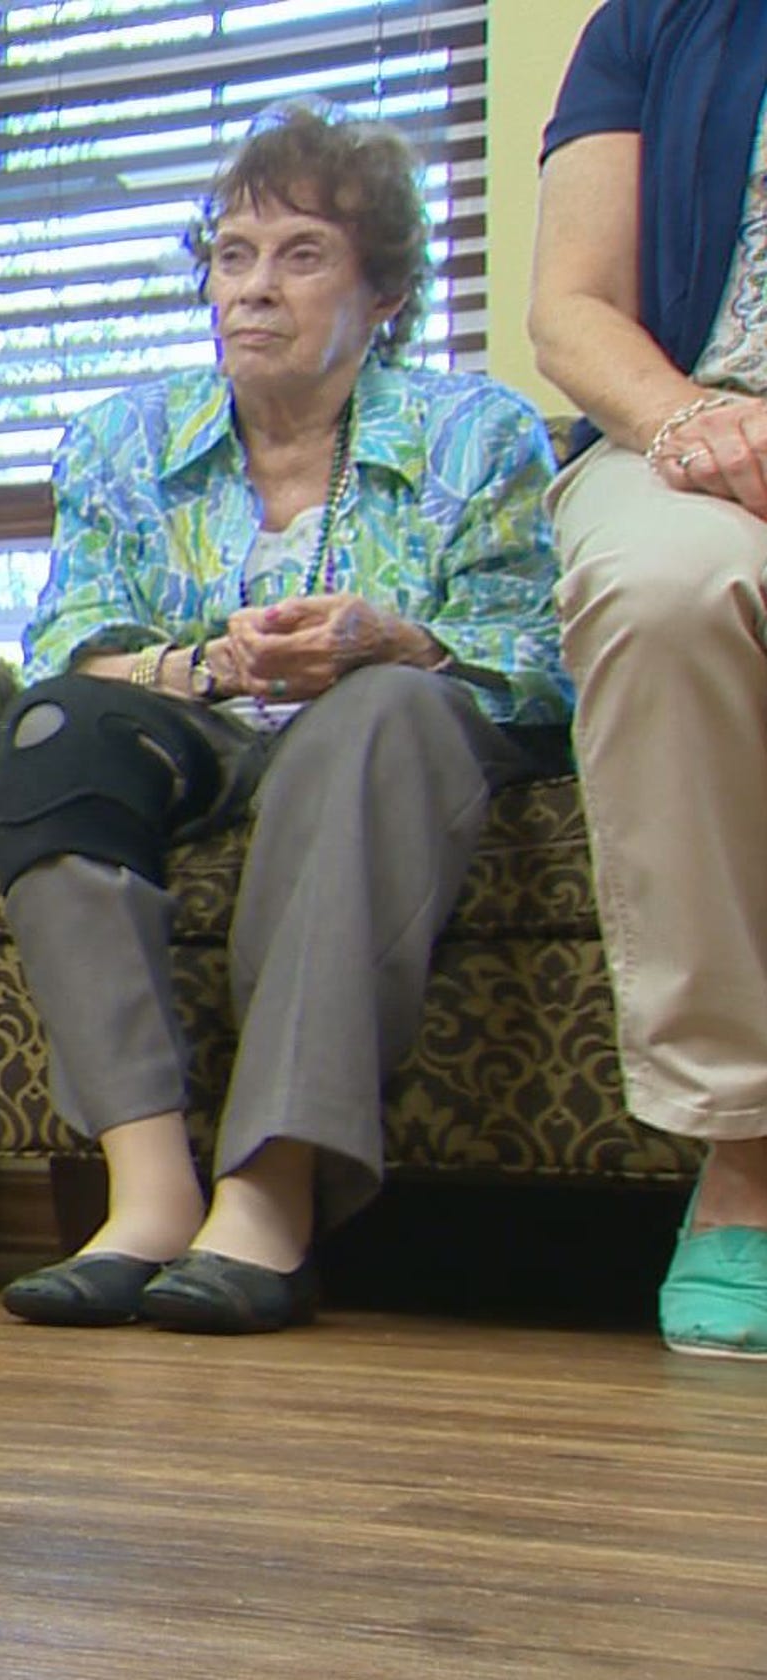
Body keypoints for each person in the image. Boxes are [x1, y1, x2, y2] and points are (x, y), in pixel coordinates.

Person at [0, 103, 566, 1334]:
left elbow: (539, 658)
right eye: (231, 255)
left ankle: (268, 1192)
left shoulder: (480, 435)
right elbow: (73, 645)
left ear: (382, 294)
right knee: (48, 728)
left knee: (378, 711)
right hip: (202, 734)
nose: (251, 288)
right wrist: (204, 663)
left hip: (386, 745)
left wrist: (395, 640)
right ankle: (146, 1192)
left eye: (300, 255)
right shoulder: (121, 440)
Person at [532, 0, 767, 1361]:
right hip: (694, 419)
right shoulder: (660, 22)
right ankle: (744, 1158)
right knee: (665, 592)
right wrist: (691, 425)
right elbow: (572, 307)